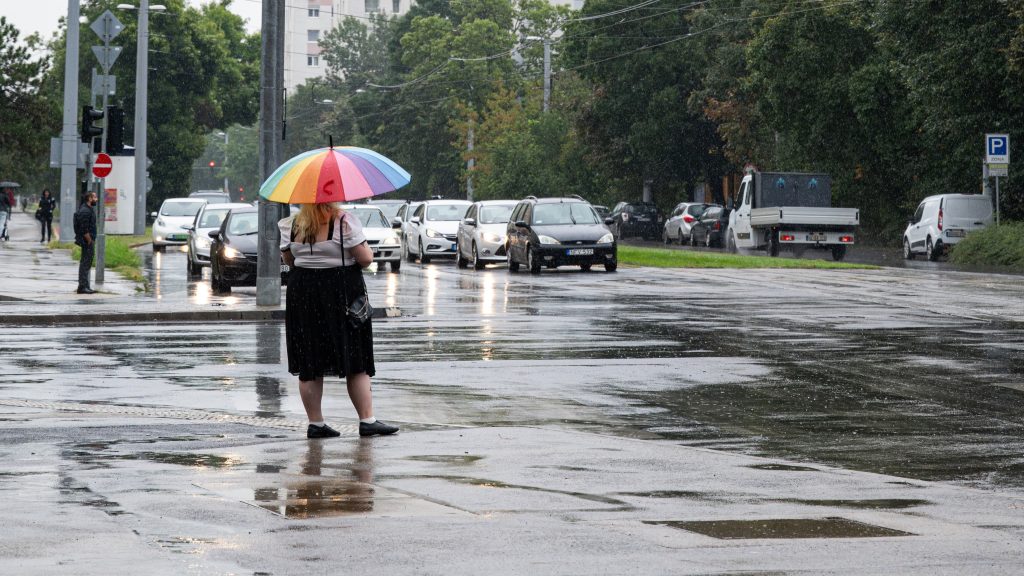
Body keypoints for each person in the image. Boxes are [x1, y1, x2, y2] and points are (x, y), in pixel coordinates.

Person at [279, 202, 399, 439]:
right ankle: (367, 420)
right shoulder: (344, 221)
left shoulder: (292, 224)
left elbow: (288, 259)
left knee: (309, 360)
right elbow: (364, 259)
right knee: (355, 357)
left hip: (303, 294)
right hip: (341, 291)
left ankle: (316, 423)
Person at [73, 192, 98, 294]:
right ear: (89, 198)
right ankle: (82, 287)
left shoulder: (87, 209)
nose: (96, 199)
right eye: (94, 197)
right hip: (86, 241)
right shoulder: (85, 211)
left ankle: (85, 285)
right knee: (85, 264)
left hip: (88, 240)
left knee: (86, 263)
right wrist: (89, 240)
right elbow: (84, 228)